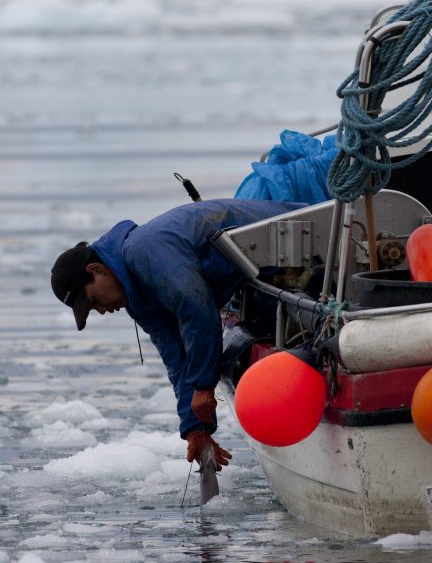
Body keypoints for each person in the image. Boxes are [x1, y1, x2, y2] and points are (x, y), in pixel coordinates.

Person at [50, 198, 300, 470]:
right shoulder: (139, 301)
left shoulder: (144, 251)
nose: (100, 310)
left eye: (92, 301)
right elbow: (177, 358)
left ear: (96, 270)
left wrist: (204, 386)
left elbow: (199, 313)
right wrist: (196, 428)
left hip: (300, 239)